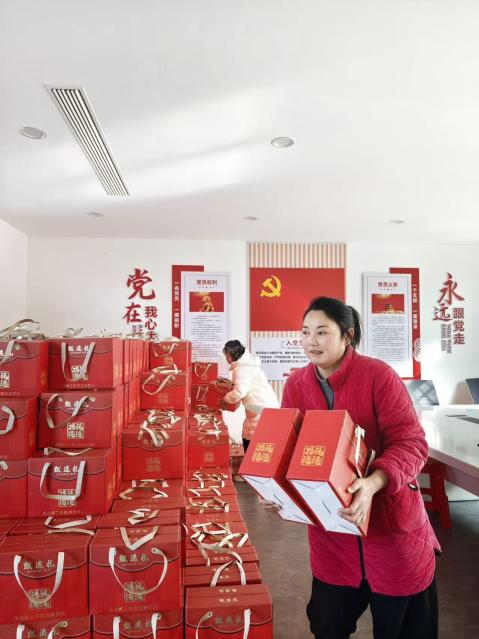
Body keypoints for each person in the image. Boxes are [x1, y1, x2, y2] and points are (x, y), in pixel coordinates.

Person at [263, 296, 440, 639]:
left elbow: (411, 443)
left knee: (404, 628)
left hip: (391, 529)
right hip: (332, 533)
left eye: (322, 332)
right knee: (328, 624)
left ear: (348, 335)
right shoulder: (297, 383)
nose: (311, 341)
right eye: (305, 332)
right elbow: (290, 450)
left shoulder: (378, 376)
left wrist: (372, 483)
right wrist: (278, 489)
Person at [221, 340, 279, 453]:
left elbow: (239, 392)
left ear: (231, 354)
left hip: (258, 409)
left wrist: (224, 400)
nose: (227, 359)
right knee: (263, 443)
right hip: (267, 407)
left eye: (226, 356)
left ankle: (251, 463)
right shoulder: (250, 366)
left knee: (251, 441)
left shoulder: (241, 369)